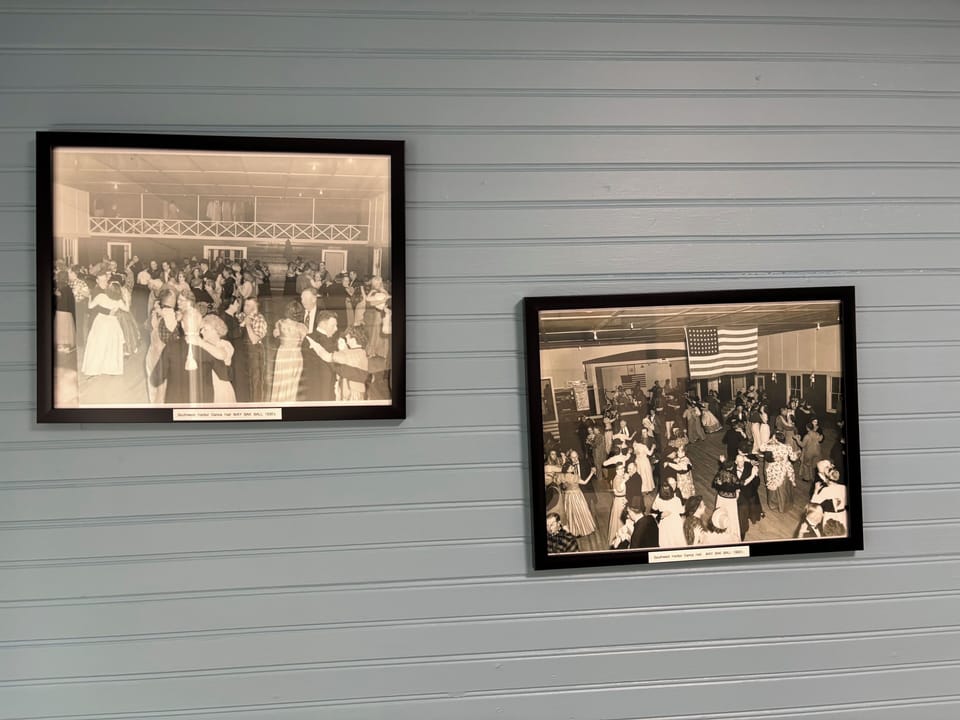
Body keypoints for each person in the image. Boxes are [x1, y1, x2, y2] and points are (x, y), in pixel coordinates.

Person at [81, 270, 127, 377]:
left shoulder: (109, 289)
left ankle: (107, 366)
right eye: (101, 281)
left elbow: (115, 301)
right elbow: (93, 308)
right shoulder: (95, 291)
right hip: (98, 319)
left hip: (109, 320)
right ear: (97, 281)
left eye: (105, 280)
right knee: (98, 344)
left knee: (109, 344)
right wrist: (110, 311)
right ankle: (96, 366)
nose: (104, 282)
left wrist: (114, 310)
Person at [271, 300, 309, 402]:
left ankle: (278, 401)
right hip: (295, 355)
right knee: (293, 382)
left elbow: (275, 334)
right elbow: (306, 341)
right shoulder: (302, 327)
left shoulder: (279, 323)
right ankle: (289, 402)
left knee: (280, 379)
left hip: (282, 353)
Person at [301, 310, 339, 401]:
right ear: (323, 325)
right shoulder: (328, 343)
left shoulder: (307, 338)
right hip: (325, 391)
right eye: (333, 326)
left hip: (309, 388)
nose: (336, 329)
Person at [761, 430, 800, 513]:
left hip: (774, 469)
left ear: (776, 439)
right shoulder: (787, 446)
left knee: (774, 487)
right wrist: (797, 453)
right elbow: (793, 458)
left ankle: (774, 504)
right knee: (784, 488)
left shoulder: (772, 447)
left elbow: (761, 447)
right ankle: (784, 505)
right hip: (785, 469)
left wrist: (770, 440)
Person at [239, 297, 268, 402]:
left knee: (255, 381)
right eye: (244, 305)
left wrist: (247, 325)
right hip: (242, 351)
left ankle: (256, 405)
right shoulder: (241, 316)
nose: (244, 308)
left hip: (255, 352)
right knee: (244, 381)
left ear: (254, 307)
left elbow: (254, 340)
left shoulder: (260, 319)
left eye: (248, 305)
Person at [332, 325, 369, 401]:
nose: (347, 341)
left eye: (347, 338)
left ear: (354, 339)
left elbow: (338, 360)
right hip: (352, 389)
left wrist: (341, 350)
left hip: (353, 392)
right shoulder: (361, 352)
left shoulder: (354, 354)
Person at [734, 448, 763, 541]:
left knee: (752, 508)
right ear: (735, 462)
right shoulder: (731, 470)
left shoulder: (750, 468)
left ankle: (753, 518)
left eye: (742, 461)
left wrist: (756, 476)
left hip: (750, 493)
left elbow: (757, 482)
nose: (741, 463)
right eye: (739, 461)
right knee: (741, 513)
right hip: (739, 496)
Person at [711, 461, 742, 543]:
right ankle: (732, 535)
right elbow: (739, 485)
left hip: (721, 497)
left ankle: (720, 532)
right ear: (731, 467)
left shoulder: (719, 474)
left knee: (720, 515)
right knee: (732, 516)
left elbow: (714, 484)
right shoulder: (733, 476)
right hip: (730, 499)